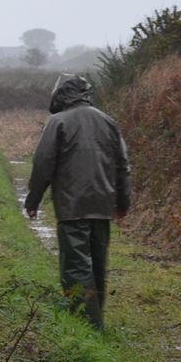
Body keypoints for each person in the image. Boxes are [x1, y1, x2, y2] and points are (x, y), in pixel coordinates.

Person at [23, 74, 130, 331]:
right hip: (103, 207)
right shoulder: (108, 121)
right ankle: (94, 319)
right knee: (97, 264)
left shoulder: (57, 122)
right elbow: (122, 166)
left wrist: (33, 199)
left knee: (76, 266)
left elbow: (43, 164)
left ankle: (87, 326)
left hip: (72, 207)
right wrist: (122, 203)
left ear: (60, 95)